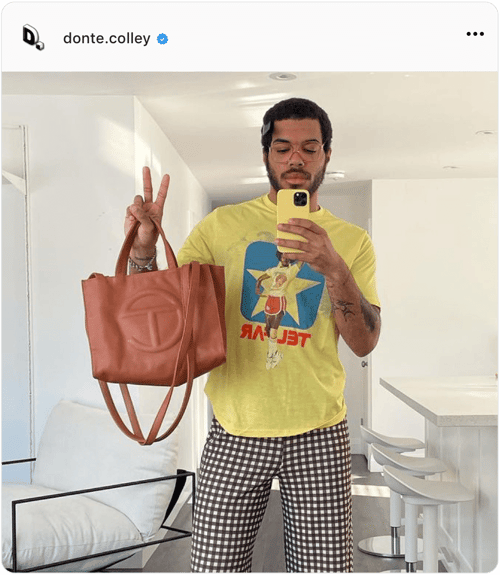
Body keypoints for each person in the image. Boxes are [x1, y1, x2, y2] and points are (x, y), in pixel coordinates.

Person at [124, 97, 381, 573]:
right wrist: (143, 251)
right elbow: (164, 315)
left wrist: (334, 269)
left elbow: (364, 342)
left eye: (310, 147)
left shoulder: (351, 241)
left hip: (319, 431)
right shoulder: (221, 227)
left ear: (327, 154)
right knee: (214, 567)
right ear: (265, 154)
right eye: (283, 148)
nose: (296, 159)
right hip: (234, 427)